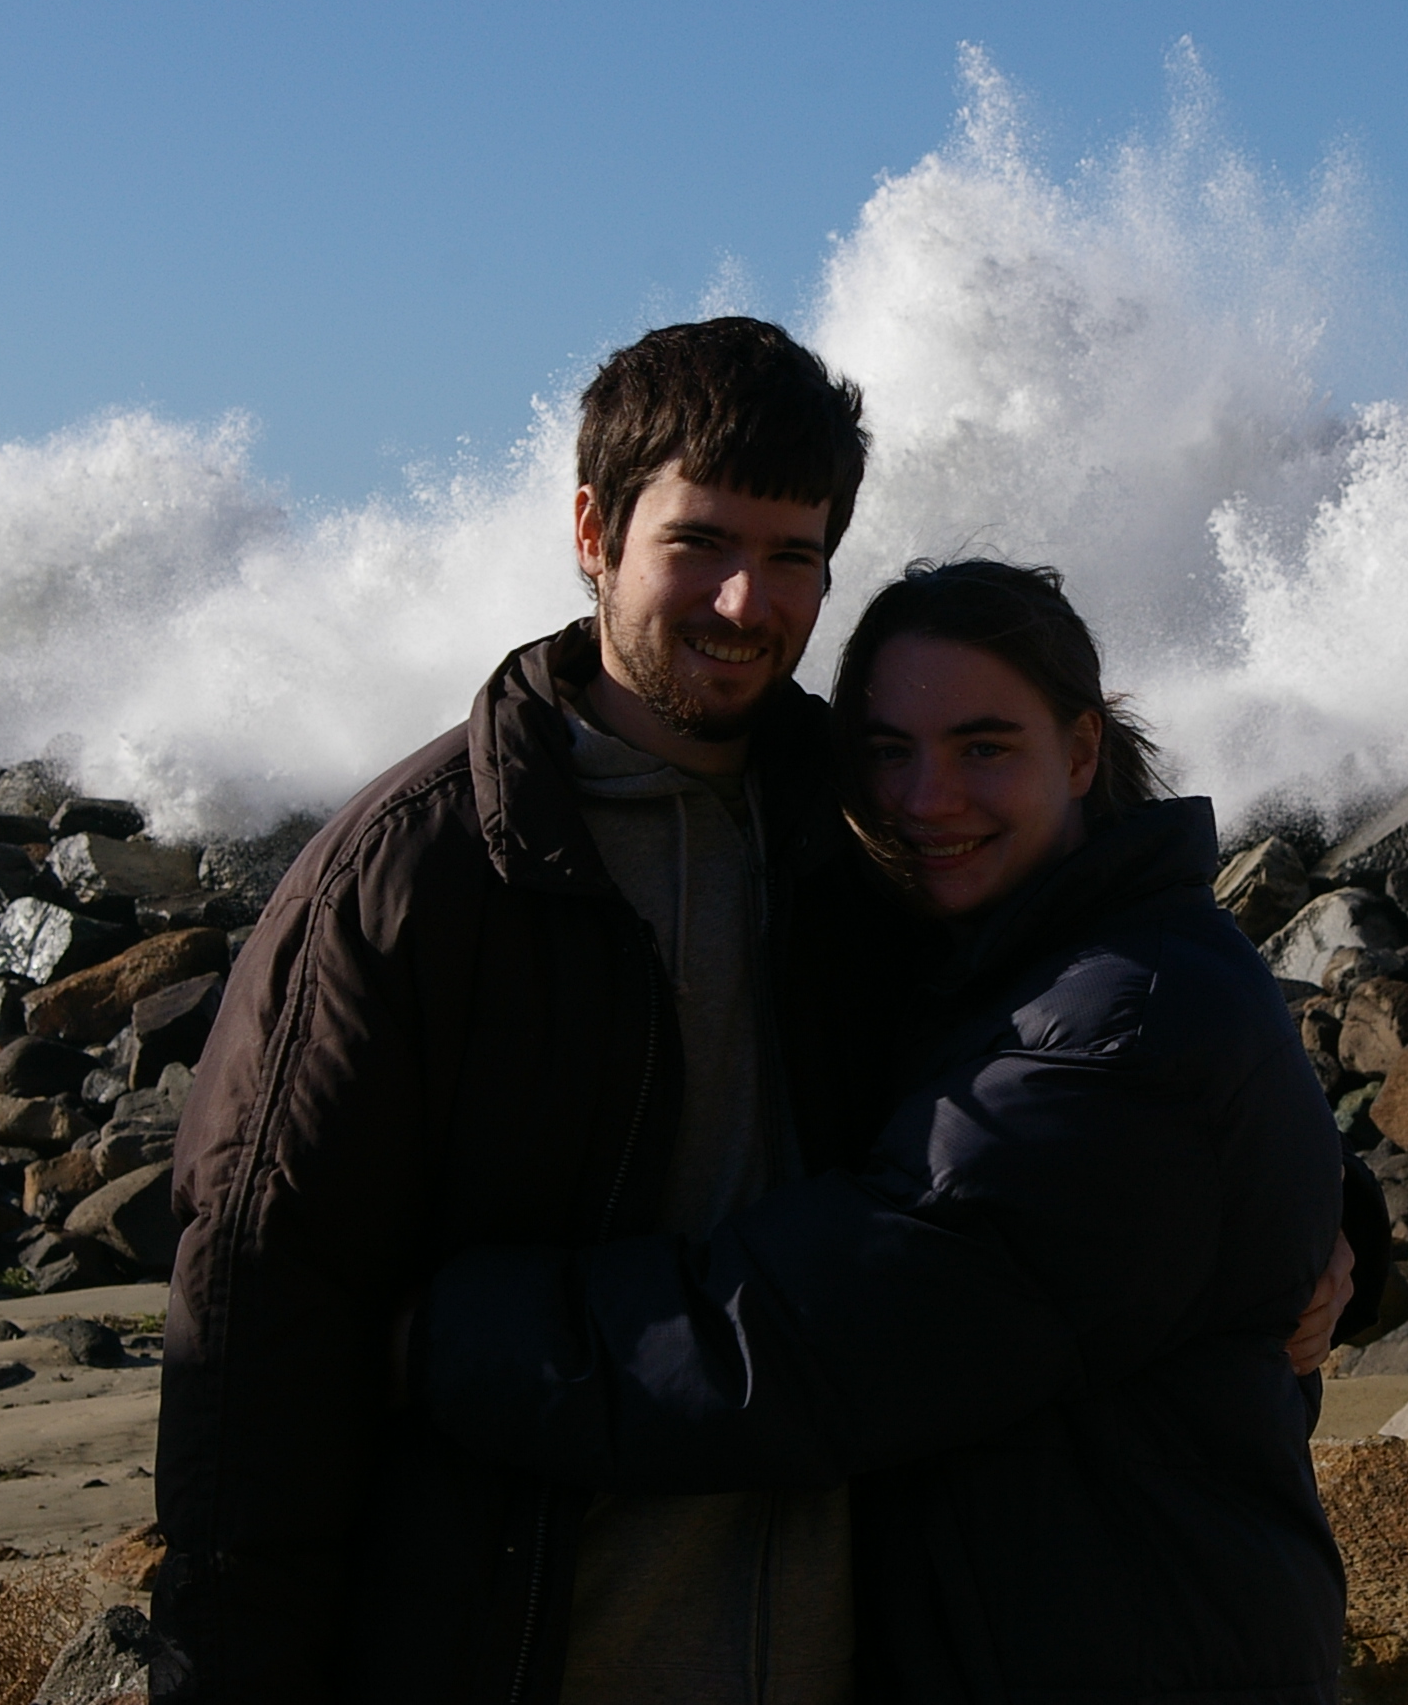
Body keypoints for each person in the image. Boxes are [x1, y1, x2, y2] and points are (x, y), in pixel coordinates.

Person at [409, 559, 1359, 1704]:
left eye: (982, 746)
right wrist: (1348, 1227)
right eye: (886, 750)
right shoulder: (1032, 962)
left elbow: (814, 1341)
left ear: (1081, 750)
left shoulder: (1114, 1020)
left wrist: (442, 1330)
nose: (924, 797)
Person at [157, 317, 893, 1701]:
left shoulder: (875, 834)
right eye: (702, 545)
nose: (749, 604)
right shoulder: (418, 875)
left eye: (794, 557)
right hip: (522, 1658)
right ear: (593, 533)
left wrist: (1316, 1211)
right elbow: (264, 1316)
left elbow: (1109, 1028)